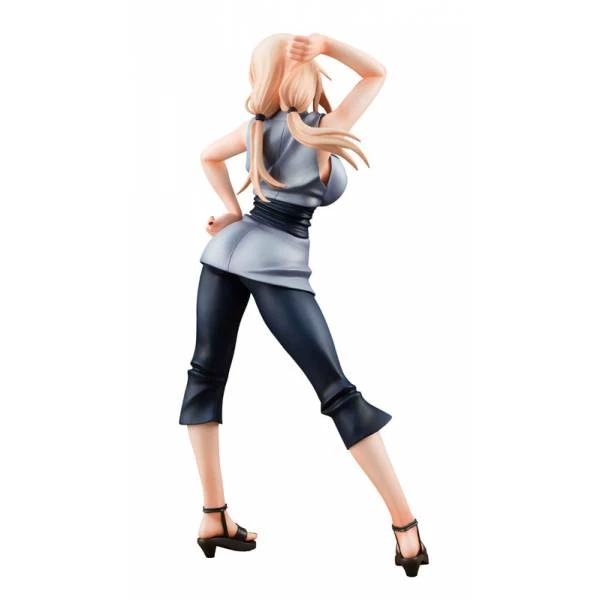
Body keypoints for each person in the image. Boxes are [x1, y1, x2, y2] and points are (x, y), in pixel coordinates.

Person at [179, 33, 429, 577]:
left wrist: (231, 211)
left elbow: (207, 155)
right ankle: (405, 526)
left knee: (205, 375)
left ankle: (213, 514)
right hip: (277, 262)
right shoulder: (322, 130)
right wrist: (329, 45)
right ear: (303, 71)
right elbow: (377, 73)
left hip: (223, 254)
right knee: (336, 389)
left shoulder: (256, 129)